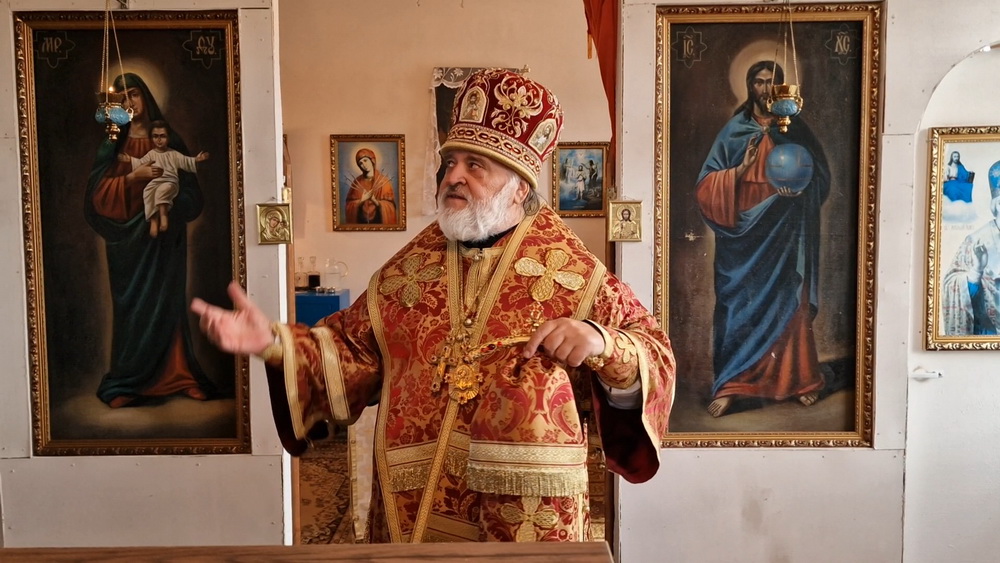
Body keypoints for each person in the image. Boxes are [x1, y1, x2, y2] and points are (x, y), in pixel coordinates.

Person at [191, 68, 675, 543]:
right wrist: (276, 343)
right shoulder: (410, 268)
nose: (452, 177)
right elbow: (353, 350)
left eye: (475, 165)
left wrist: (604, 343)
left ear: (520, 187)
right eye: (451, 162)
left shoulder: (575, 273)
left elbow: (655, 354)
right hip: (412, 499)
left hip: (520, 517)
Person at [694, 61, 831, 418]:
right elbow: (706, 186)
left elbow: (820, 177)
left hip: (786, 229)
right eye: (759, 81)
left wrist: (801, 189)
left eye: (772, 82)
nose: (766, 89)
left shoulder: (796, 129)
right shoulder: (734, 130)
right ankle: (731, 385)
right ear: (749, 85)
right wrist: (741, 168)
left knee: (790, 301)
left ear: (782, 88)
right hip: (743, 237)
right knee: (739, 306)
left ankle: (799, 381)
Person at [85, 73, 215, 408]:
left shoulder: (170, 140)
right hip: (127, 245)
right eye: (122, 97)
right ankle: (128, 382)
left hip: (165, 241)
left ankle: (180, 375)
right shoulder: (113, 144)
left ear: (146, 97)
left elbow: (193, 195)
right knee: (133, 311)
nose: (130, 102)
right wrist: (133, 178)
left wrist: (171, 202)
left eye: (135, 94)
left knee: (167, 306)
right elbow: (97, 198)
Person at [119, 120, 209, 238]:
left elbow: (186, 161)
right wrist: (130, 160)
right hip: (155, 182)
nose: (159, 140)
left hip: (170, 182)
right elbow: (141, 163)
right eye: (155, 136)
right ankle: (153, 220)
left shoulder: (173, 154)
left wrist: (197, 159)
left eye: (162, 136)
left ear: (168, 137)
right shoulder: (151, 154)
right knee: (147, 192)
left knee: (161, 191)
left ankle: (163, 217)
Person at [941, 177, 1000, 334]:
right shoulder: (976, 241)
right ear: (998, 205)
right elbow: (952, 284)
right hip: (989, 335)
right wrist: (976, 271)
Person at [345, 148, 397, 224]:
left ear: (372, 160)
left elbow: (390, 206)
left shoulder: (383, 181)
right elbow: (349, 205)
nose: (364, 165)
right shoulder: (357, 182)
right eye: (360, 163)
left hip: (378, 221)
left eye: (365, 160)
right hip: (361, 222)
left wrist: (375, 201)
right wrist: (361, 201)